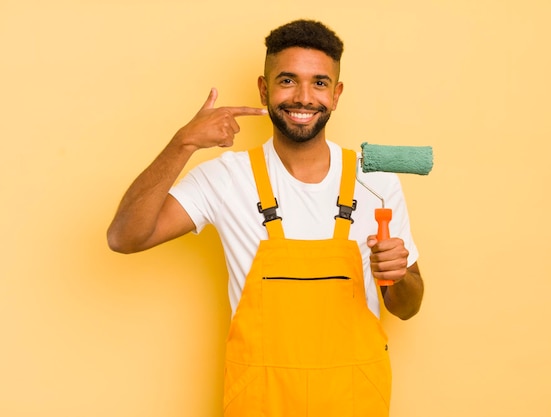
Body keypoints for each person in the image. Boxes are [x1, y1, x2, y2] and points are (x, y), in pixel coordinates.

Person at [108, 19, 424, 417]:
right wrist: (183, 142)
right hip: (260, 401)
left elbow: (407, 307)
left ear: (337, 94)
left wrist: (397, 275)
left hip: (354, 398)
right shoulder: (225, 178)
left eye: (320, 83)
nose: (304, 97)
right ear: (264, 88)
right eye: (288, 81)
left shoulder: (376, 181)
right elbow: (124, 237)